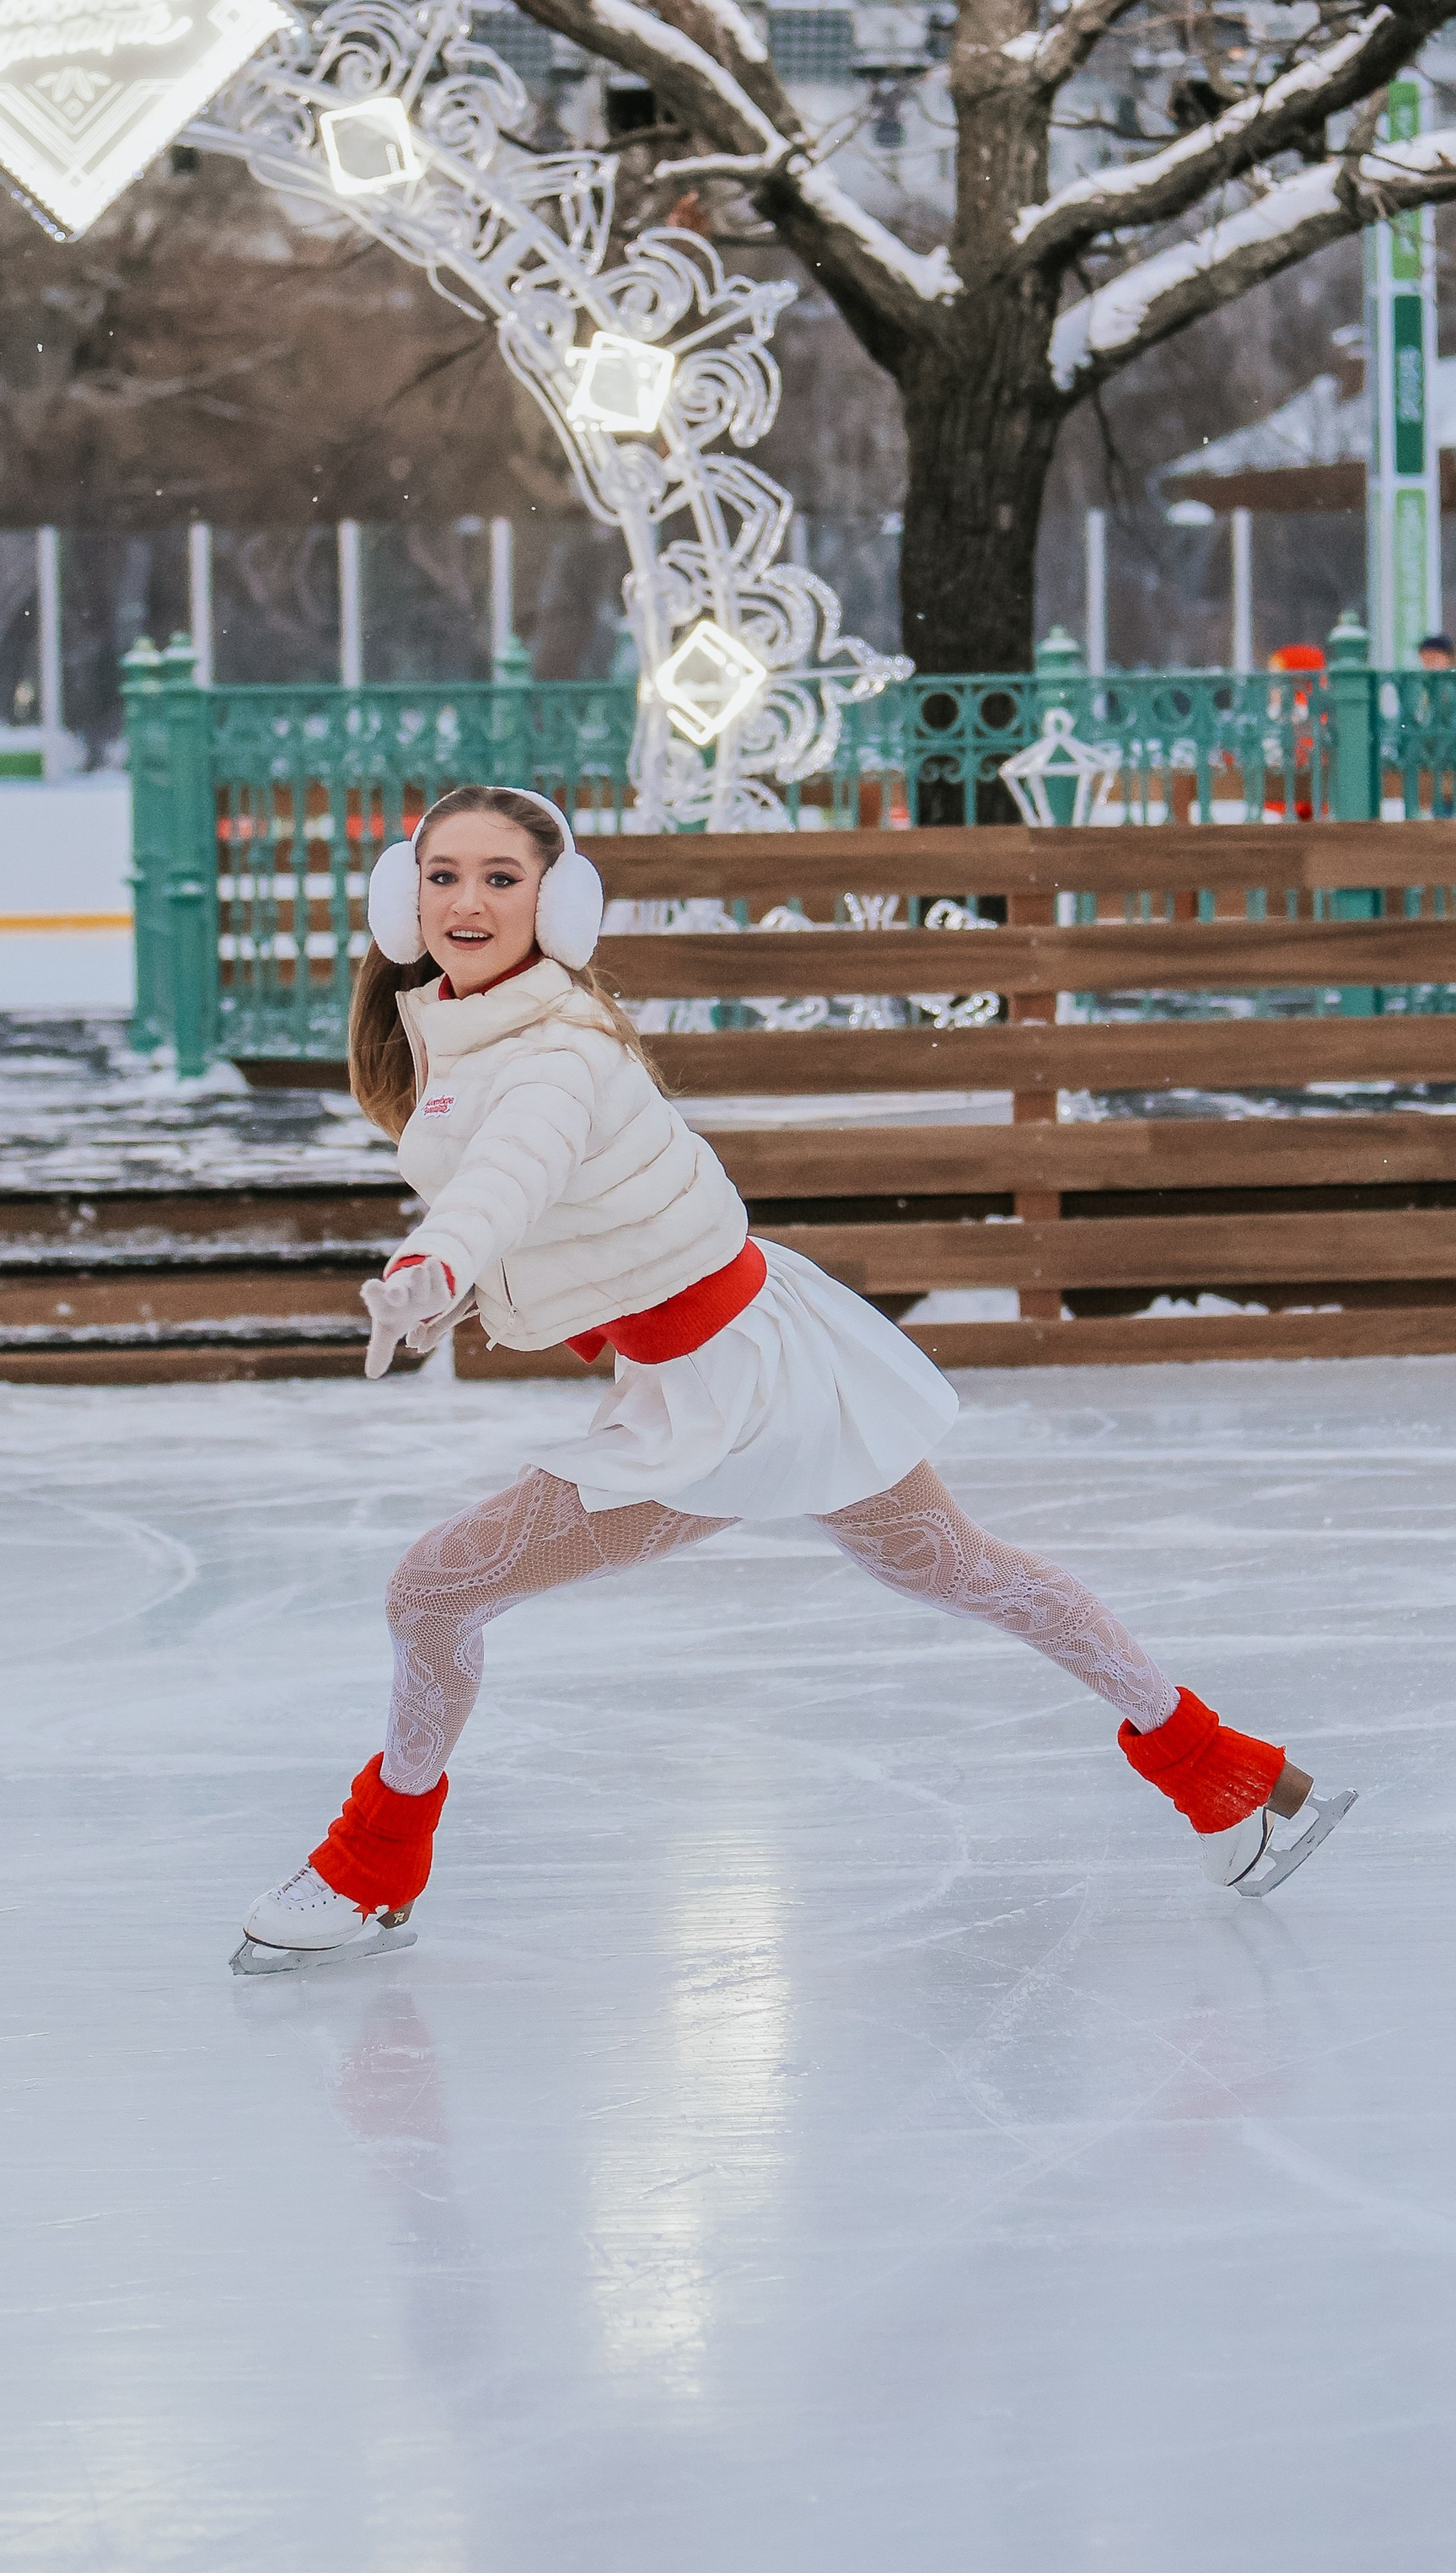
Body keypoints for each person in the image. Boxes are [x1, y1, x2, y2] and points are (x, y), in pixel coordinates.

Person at [234, 784, 1356, 1971]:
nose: (468, 900)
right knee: (959, 1568)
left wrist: (435, 1256)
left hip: (727, 1393)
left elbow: (511, 1174)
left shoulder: (553, 1053)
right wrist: (446, 1284)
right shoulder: (481, 1034)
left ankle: (372, 1868)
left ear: (555, 904)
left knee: (432, 1595)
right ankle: (1232, 1778)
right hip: (767, 1341)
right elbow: (546, 1210)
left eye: (501, 878)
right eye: (444, 875)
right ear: (401, 899)